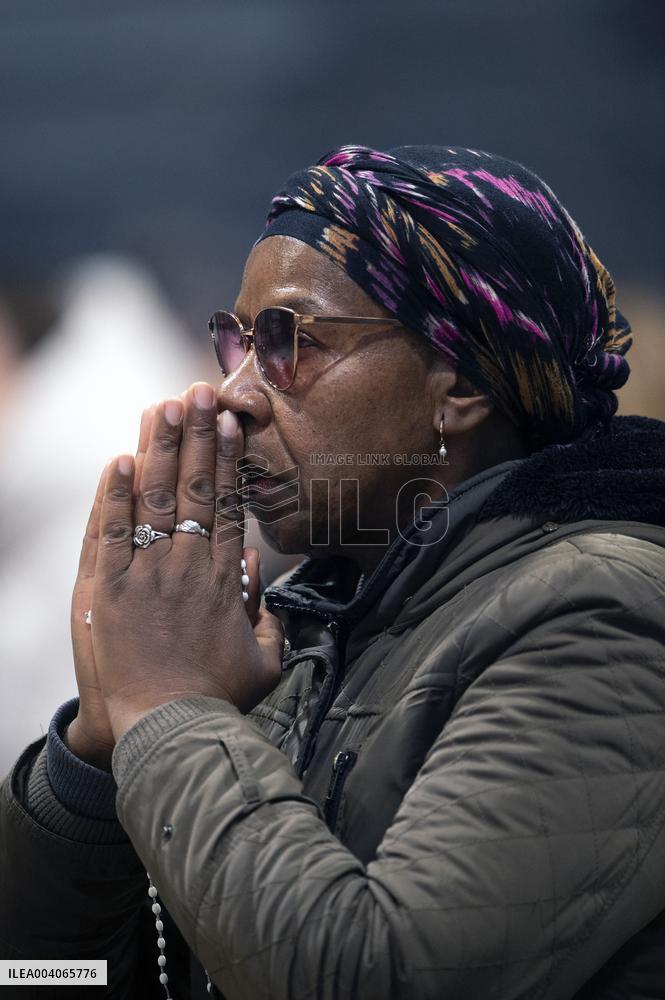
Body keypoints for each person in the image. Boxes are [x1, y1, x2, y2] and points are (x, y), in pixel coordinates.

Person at [1, 144, 664, 1000]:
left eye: (287, 341)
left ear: (456, 382)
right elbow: (52, 981)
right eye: (234, 342)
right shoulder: (306, 629)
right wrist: (91, 762)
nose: (235, 394)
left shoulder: (606, 615)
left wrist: (167, 708)